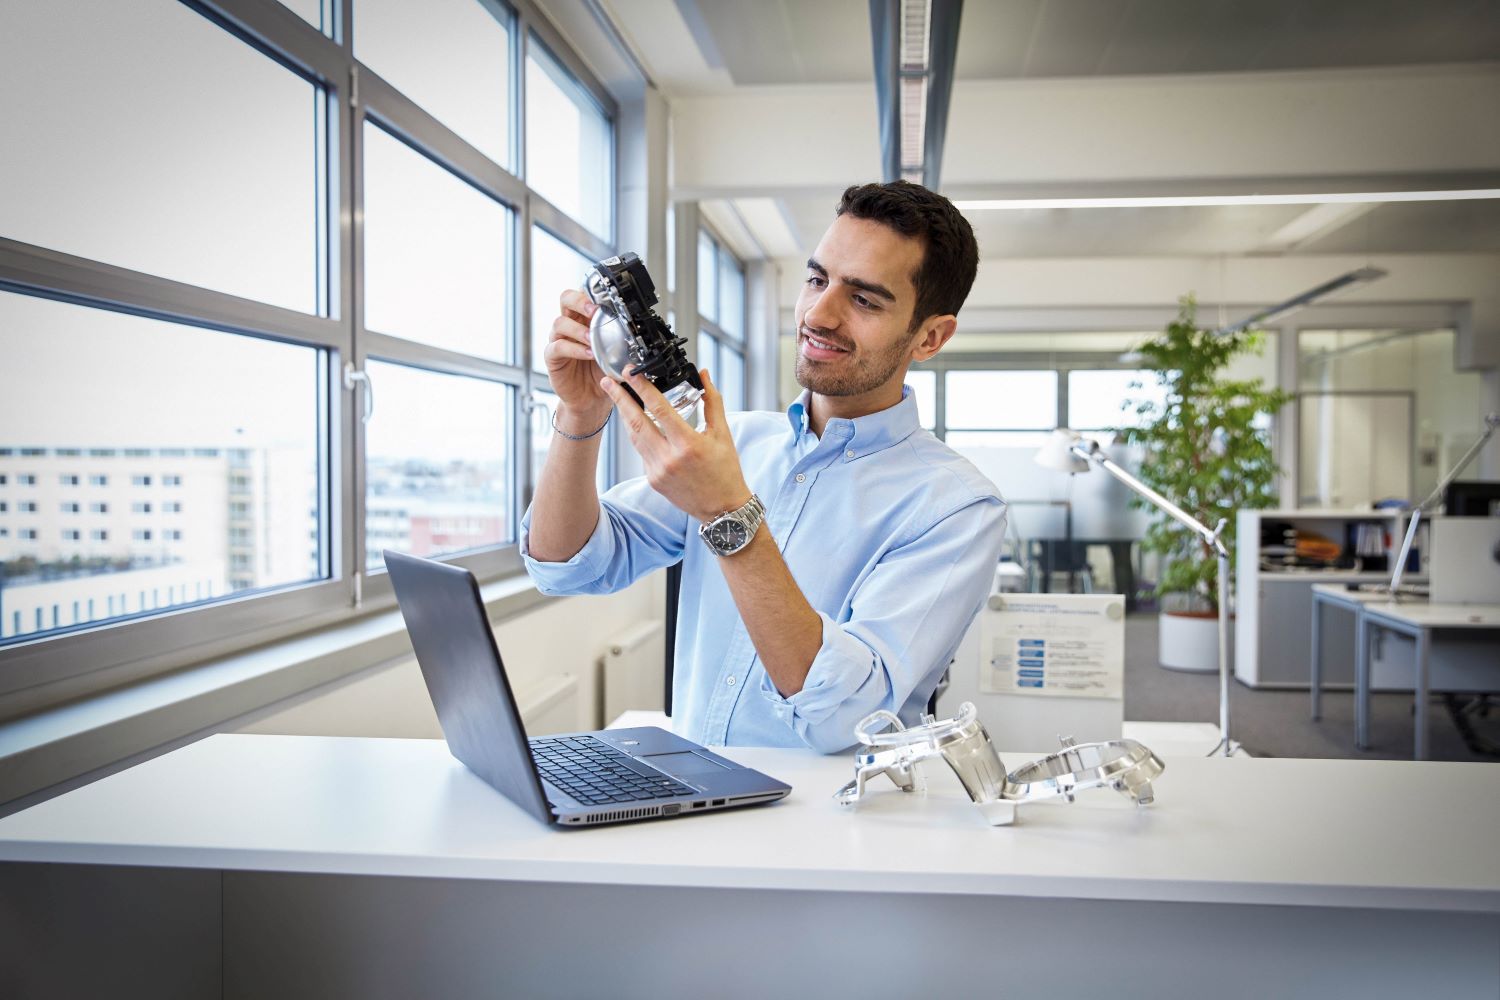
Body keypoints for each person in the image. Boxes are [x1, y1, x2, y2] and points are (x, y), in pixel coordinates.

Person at [521, 180, 1007, 753]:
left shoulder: (957, 507)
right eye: (816, 279)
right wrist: (580, 415)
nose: (818, 314)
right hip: (695, 802)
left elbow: (841, 716)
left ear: (930, 336)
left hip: (832, 832)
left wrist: (730, 513)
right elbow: (567, 566)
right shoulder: (740, 443)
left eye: (864, 299)